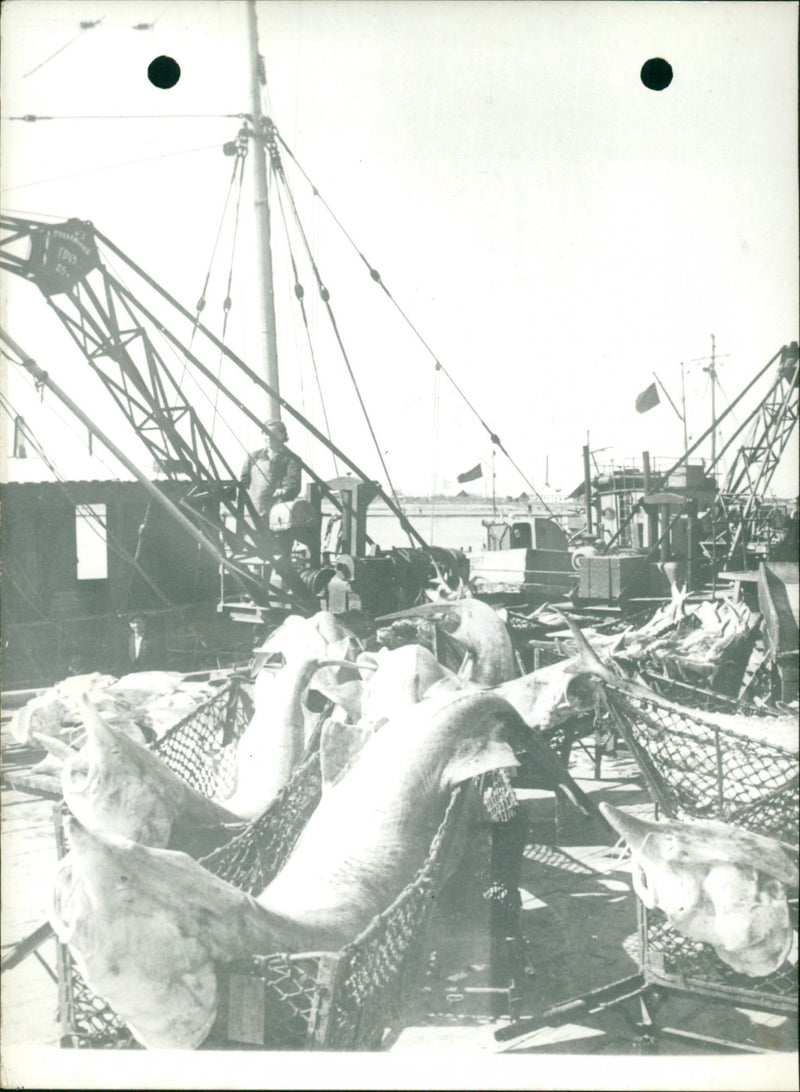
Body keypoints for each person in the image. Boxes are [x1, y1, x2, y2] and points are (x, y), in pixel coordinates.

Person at [240, 420, 315, 609]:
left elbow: (293, 484)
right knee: (257, 559)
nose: (268, 438)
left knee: (280, 559)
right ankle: (259, 598)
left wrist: (284, 491)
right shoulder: (254, 456)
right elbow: (243, 480)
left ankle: (303, 600)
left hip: (278, 519)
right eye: (265, 433)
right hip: (255, 514)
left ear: (282, 435)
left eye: (273, 434)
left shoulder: (290, 459)